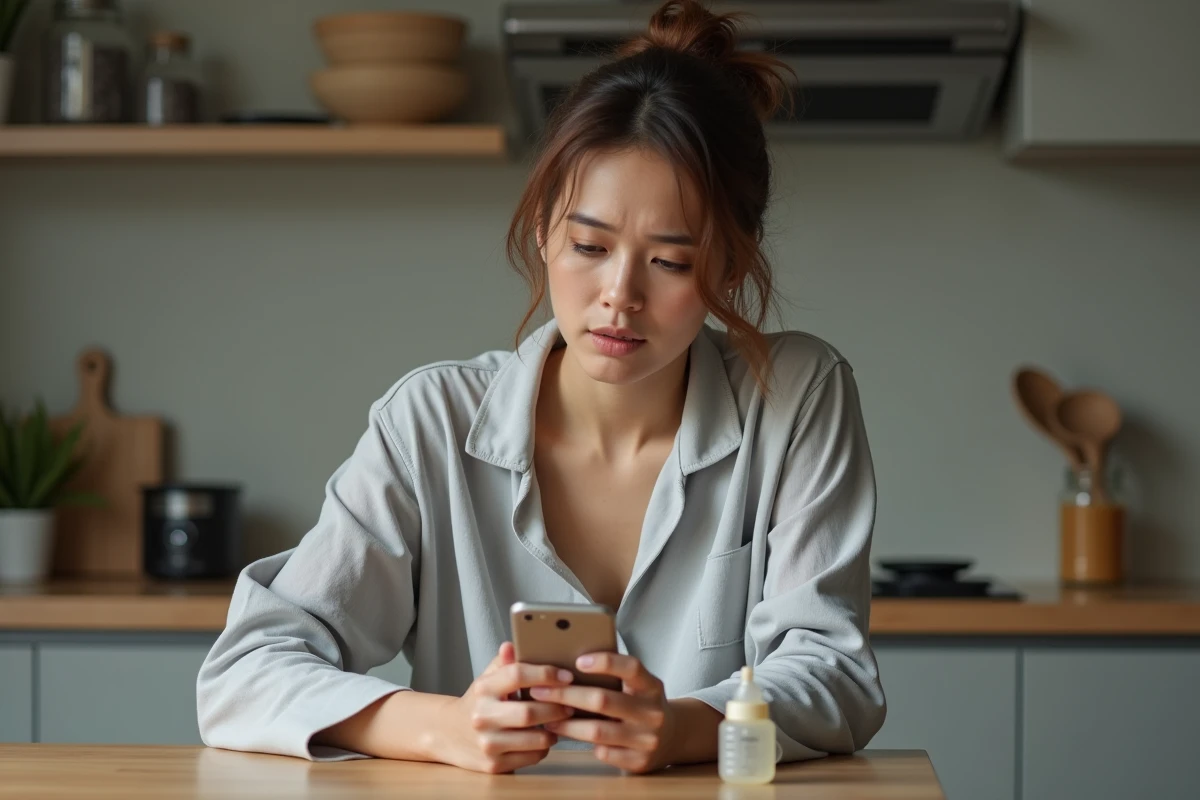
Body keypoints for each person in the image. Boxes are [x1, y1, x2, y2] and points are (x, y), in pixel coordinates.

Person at [197, 0, 886, 775]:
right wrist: (442, 727)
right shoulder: (430, 422)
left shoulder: (795, 397)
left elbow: (838, 675)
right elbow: (245, 673)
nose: (618, 295)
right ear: (542, 232)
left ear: (729, 264)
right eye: (589, 244)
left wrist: (686, 727)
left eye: (670, 261)